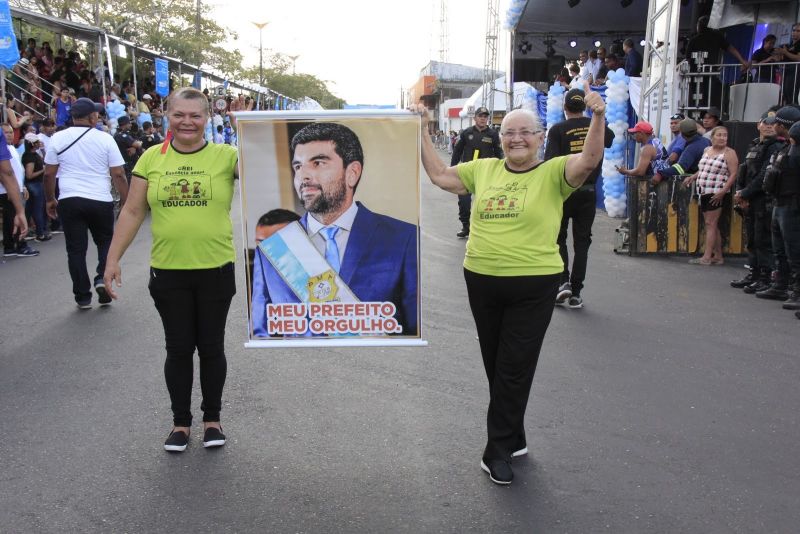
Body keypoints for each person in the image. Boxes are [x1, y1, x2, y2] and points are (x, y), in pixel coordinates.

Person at [416, 81, 607, 485]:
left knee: (514, 366)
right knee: (497, 363)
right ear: (500, 139)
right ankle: (514, 435)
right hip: (481, 280)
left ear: (540, 139)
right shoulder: (482, 168)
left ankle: (496, 450)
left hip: (534, 283)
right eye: (510, 133)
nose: (517, 138)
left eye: (526, 132)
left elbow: (588, 160)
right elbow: (437, 175)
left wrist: (599, 116)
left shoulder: (555, 170)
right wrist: (420, 130)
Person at [103, 87, 238, 453]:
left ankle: (213, 420)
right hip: (168, 272)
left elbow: (273, 171)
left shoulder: (227, 156)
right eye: (179, 114)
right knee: (178, 349)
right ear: (166, 115)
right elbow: (132, 211)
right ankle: (180, 424)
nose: (187, 122)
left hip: (216, 269)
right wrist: (112, 258)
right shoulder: (150, 159)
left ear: (208, 117)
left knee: (211, 347)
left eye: (195, 115)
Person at [251, 122, 418, 337]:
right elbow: (262, 333)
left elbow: (414, 327)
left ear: (352, 173)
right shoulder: (272, 251)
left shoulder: (403, 238)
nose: (304, 175)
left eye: (318, 163)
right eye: (298, 166)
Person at [43, 97, 129, 308]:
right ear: (92, 117)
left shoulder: (57, 138)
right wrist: (126, 201)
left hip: (70, 199)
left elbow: (48, 174)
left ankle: (82, 296)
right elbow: (118, 174)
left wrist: (50, 199)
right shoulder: (105, 139)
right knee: (105, 242)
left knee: (75, 250)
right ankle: (102, 279)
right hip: (100, 199)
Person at [545, 88, 614, 308]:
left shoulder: (557, 129)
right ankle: (576, 292)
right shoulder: (598, 126)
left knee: (559, 239)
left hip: (564, 192)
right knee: (582, 243)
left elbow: (550, 163)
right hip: (588, 191)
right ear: (584, 106)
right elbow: (610, 139)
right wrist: (596, 117)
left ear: (565, 108)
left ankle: (562, 282)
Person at [732, 111, 783, 292]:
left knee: (763, 240)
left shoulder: (776, 146)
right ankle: (753, 273)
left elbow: (764, 176)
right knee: (752, 239)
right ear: (758, 125)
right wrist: (741, 193)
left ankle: (765, 277)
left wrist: (745, 193)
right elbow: (743, 170)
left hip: (764, 200)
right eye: (765, 122)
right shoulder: (755, 145)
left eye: (772, 123)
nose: (769, 125)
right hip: (750, 200)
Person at [755, 107, 800, 307]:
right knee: (779, 250)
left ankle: (796, 291)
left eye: (777, 124)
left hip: (792, 206)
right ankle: (780, 285)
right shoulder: (784, 148)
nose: (774, 127)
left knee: (794, 251)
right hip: (779, 203)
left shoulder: (794, 151)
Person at [683, 126, 739, 265]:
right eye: (719, 135)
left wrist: (723, 191)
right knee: (711, 225)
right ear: (712, 137)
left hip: (717, 191)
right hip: (704, 190)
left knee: (711, 224)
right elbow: (703, 169)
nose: (722, 138)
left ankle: (707, 257)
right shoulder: (707, 150)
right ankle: (718, 256)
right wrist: (693, 177)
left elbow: (733, 174)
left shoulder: (729, 153)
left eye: (725, 135)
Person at [450, 106, 503, 238]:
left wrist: (501, 170)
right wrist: (452, 168)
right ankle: (466, 226)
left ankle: (483, 228)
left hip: (486, 173)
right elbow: (457, 151)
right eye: (480, 116)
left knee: (485, 203)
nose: (483, 119)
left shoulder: (493, 134)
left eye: (485, 116)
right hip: (467, 173)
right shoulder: (466, 133)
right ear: (475, 118)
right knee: (464, 202)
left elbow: (499, 153)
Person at [1, 126, 32, 257]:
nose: (9, 135)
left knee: (12, 218)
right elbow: (6, 172)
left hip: (15, 188)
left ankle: (12, 246)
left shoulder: (11, 148)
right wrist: (10, 189)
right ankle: (19, 246)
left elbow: (16, 172)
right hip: (6, 190)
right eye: (6, 133)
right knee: (13, 218)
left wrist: (22, 187)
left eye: (10, 132)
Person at [652, 118, 711, 185]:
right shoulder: (706, 141)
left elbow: (680, 168)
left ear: (682, 134)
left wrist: (660, 174)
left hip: (697, 183)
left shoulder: (691, 148)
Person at [22, 133, 50, 242]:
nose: (39, 143)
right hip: (35, 185)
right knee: (37, 209)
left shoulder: (32, 155)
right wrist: (43, 170)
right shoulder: (30, 157)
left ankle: (28, 231)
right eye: (37, 142)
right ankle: (40, 233)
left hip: (34, 185)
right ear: (32, 144)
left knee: (29, 209)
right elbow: (29, 175)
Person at [775, 23, 800, 104]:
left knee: (792, 95)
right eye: (794, 30)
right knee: (786, 95)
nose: (795, 32)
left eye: (798, 31)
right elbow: (783, 60)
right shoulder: (789, 45)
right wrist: (778, 56)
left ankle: (794, 115)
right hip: (786, 72)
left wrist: (785, 52)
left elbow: (798, 58)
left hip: (795, 72)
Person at [114, 115, 143, 182]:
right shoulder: (120, 135)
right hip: (127, 165)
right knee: (130, 185)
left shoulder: (128, 133)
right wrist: (136, 145)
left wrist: (134, 147)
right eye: (129, 123)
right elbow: (137, 144)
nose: (130, 125)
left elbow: (138, 142)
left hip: (131, 163)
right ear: (125, 124)